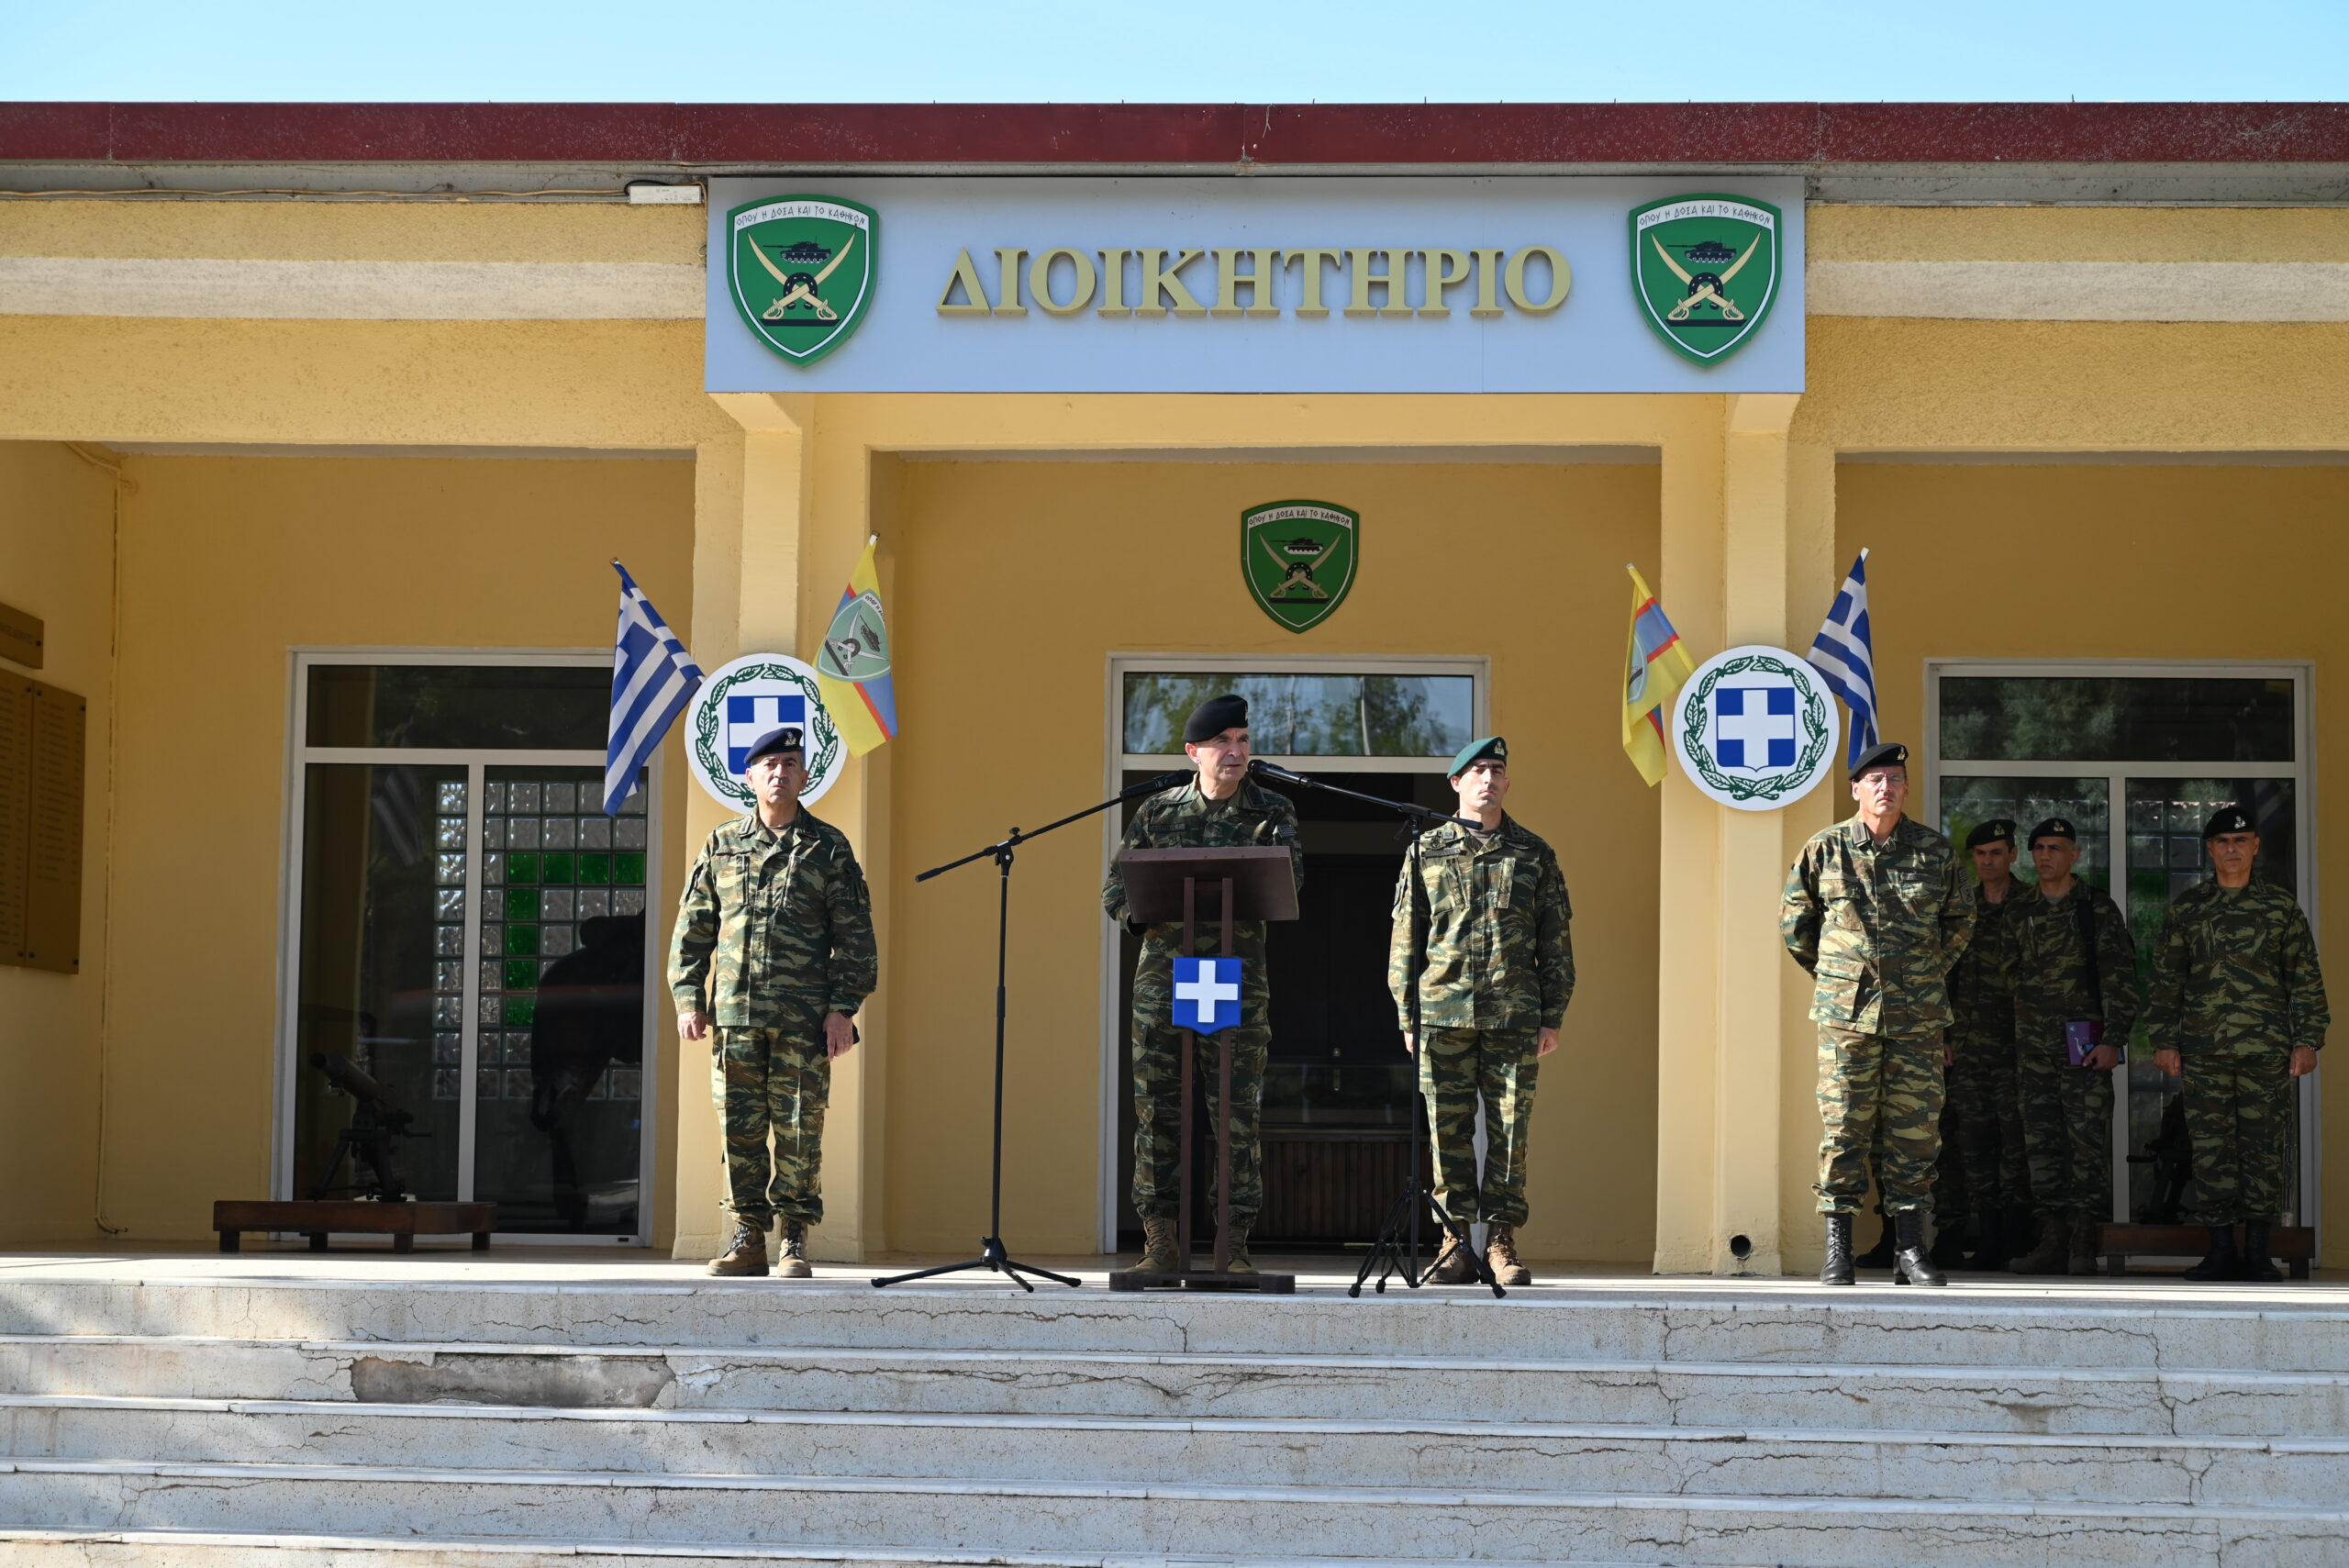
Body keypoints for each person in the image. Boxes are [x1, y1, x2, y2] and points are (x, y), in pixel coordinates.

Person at [1101, 694, 1301, 1276]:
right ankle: (1160, 1242)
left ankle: (1232, 1243)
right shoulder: (1158, 814)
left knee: (1235, 1116)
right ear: (1194, 752)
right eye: (1223, 742)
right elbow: (1116, 891)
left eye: (1242, 740)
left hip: (1235, 982)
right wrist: (1146, 905)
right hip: (1165, 983)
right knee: (1158, 1113)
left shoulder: (1272, 812)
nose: (1236, 751)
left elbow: (1291, 881)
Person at [669, 726, 875, 1279]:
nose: (780, 772)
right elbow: (694, 926)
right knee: (739, 1129)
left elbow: (854, 933)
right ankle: (748, 1238)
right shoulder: (721, 844)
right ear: (750, 776)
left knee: (800, 1128)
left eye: (789, 763)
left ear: (804, 774)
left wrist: (843, 1008)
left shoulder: (828, 848)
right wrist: (689, 998)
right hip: (735, 1016)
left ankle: (794, 1241)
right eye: (769, 765)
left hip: (804, 1020)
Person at [1781, 741, 1972, 1288]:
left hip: (1917, 1017)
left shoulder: (1934, 853)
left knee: (1914, 1133)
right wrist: (1840, 978)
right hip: (1847, 1018)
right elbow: (1797, 925)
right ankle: (1837, 1248)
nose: (1886, 788)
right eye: (1875, 780)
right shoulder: (1825, 848)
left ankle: (1910, 1249)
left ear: (1907, 789)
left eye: (1895, 779)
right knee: (1844, 1130)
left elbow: (1960, 922)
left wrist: (1923, 971)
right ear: (1856, 789)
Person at [1388, 737, 1573, 1287]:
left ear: (1508, 783)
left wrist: (1553, 1013)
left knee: (1511, 1132)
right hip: (1442, 1010)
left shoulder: (1534, 853)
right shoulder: (1426, 850)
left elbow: (1555, 940)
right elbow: (1406, 939)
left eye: (1496, 770)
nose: (1487, 779)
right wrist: (1407, 1013)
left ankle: (1500, 1242)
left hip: (1515, 1014)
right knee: (1447, 1133)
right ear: (1456, 784)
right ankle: (1453, 1242)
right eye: (1476, 771)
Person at [2147, 805, 2329, 1282]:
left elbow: (2305, 979)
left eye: (2241, 840)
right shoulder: (2189, 909)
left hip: (2266, 1053)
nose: (2232, 849)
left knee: (2265, 1152)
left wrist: (2308, 1039)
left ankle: (2258, 1253)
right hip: (2204, 1054)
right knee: (2212, 1154)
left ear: (2255, 846)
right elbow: (2167, 981)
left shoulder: (2280, 909)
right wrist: (2164, 1039)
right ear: (2210, 850)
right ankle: (2221, 1251)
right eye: (2223, 842)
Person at [2002, 817, 2140, 1277]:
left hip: (2084, 1051)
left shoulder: (2095, 909)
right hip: (2032, 1051)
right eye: (2039, 847)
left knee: (2086, 1147)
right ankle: (2052, 1240)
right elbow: (2007, 978)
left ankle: (2084, 1240)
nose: (2046, 856)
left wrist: (2114, 1041)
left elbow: (2121, 978)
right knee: (2041, 1146)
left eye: (2056, 848)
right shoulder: (2019, 910)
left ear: (2074, 856)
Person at [1943, 819, 2029, 1270]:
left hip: (2019, 1050)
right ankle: (1987, 1239)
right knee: (1974, 1147)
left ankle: (2017, 1242)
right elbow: (1944, 976)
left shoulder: (2032, 906)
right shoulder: (1961, 909)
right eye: (1981, 855)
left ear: (2013, 855)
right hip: (1970, 1050)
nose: (1989, 862)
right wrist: (1943, 1035)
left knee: (2016, 1148)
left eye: (1997, 853)